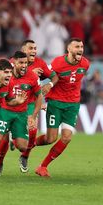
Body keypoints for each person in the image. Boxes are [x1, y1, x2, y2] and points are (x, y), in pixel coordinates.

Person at [0, 51, 42, 180]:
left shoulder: (33, 77)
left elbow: (39, 97)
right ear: (13, 63)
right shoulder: (6, 75)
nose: (24, 65)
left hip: (21, 114)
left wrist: (33, 116)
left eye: (26, 63)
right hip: (5, 112)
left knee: (22, 146)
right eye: (21, 63)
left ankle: (11, 139)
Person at [35, 38, 90, 177]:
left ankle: (43, 166)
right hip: (56, 103)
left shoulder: (85, 63)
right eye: (77, 46)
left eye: (82, 46)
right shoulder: (57, 63)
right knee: (50, 139)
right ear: (69, 49)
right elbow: (47, 77)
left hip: (73, 105)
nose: (80, 49)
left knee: (66, 138)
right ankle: (29, 144)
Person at [17, 40, 59, 173]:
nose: (34, 51)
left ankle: (25, 156)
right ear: (23, 50)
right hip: (13, 102)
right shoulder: (14, 61)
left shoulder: (40, 63)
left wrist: (49, 85)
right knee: (2, 138)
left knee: (32, 132)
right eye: (31, 48)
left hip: (31, 103)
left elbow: (55, 76)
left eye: (35, 48)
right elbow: (9, 79)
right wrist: (30, 72)